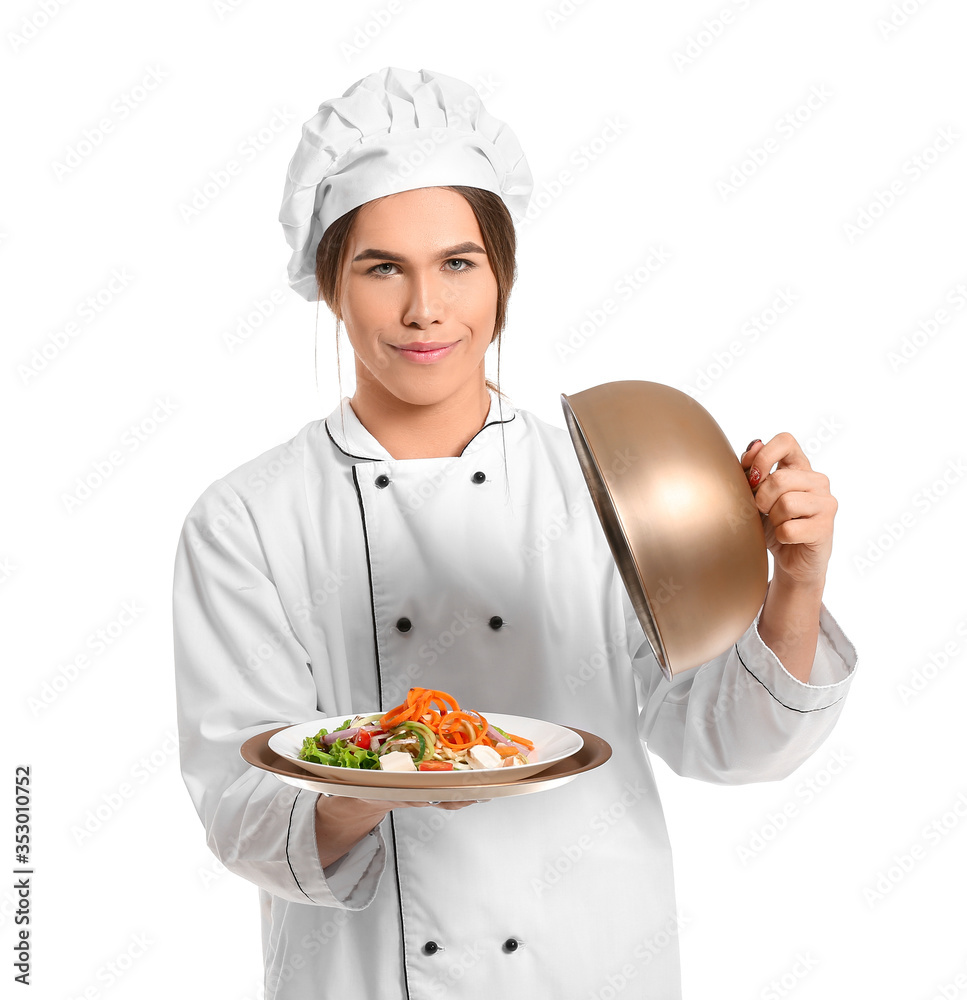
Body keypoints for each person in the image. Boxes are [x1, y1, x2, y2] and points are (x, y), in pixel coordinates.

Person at [172, 66, 858, 1000]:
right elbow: (241, 809)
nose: (426, 309)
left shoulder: (606, 483)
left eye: (459, 262)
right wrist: (374, 785)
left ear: (502, 276)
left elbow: (728, 744)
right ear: (330, 284)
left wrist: (796, 583)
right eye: (382, 267)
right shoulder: (248, 516)